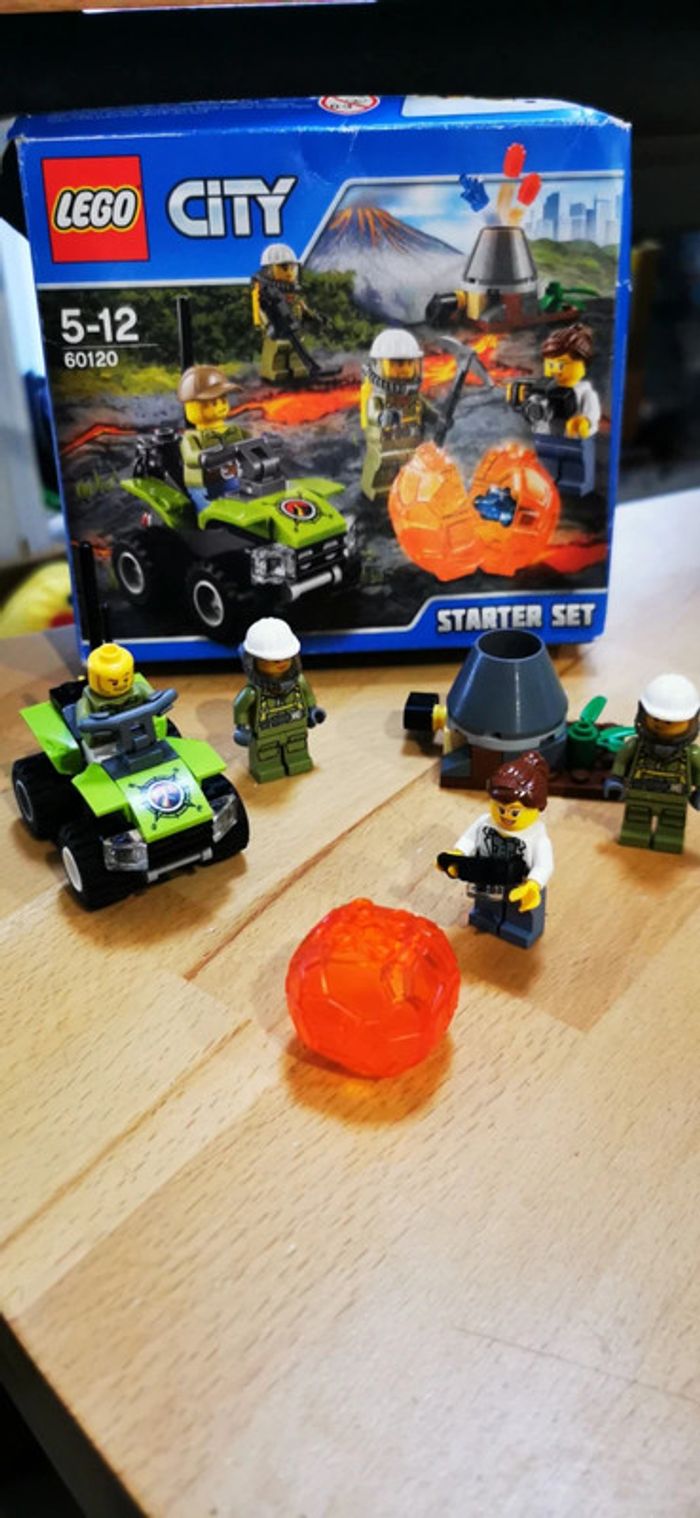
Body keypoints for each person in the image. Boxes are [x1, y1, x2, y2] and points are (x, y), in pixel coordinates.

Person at [443, 749, 553, 948]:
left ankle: (520, 930)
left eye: (514, 812)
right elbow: (469, 839)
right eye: (500, 809)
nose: (506, 816)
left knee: (521, 912)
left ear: (537, 807)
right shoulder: (485, 822)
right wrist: (458, 854)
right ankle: (485, 918)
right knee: (486, 904)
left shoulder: (536, 836)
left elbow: (544, 865)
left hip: (520, 884)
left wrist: (534, 884)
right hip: (487, 874)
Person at [604, 673, 700, 853]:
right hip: (639, 794)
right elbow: (622, 762)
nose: (660, 725)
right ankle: (636, 835)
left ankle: (668, 839)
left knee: (670, 831)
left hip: (675, 800)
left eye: (669, 722)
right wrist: (616, 780)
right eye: (655, 718)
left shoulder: (692, 754)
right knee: (635, 827)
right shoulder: (635, 745)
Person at [233, 618, 326, 782]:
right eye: (272, 660)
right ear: (253, 661)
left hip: (295, 725)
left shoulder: (299, 682)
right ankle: (268, 768)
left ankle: (298, 761)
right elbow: (240, 707)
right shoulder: (252, 692)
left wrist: (313, 710)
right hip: (265, 732)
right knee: (267, 754)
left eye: (285, 657)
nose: (280, 663)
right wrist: (242, 728)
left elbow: (308, 697)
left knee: (296, 748)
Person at [178, 364, 247, 513]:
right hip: (203, 487)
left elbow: (250, 440)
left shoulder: (232, 431)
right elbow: (190, 457)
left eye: (223, 400)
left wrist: (266, 441)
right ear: (191, 408)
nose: (220, 406)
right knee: (208, 509)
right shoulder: (191, 438)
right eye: (213, 403)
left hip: (231, 479)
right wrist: (204, 458)